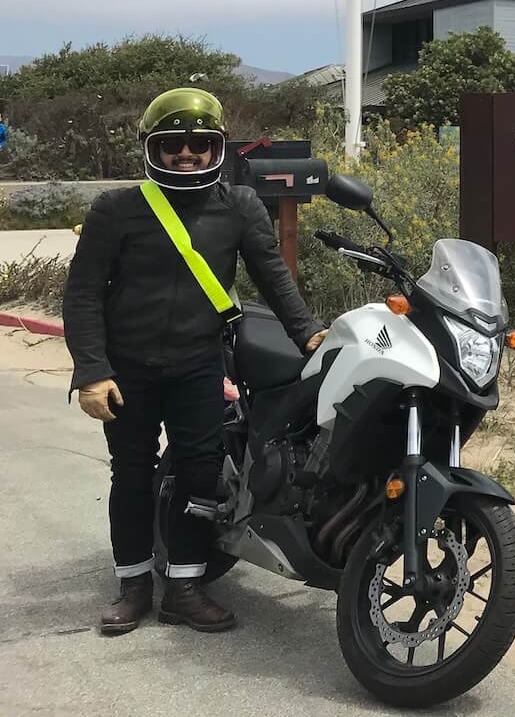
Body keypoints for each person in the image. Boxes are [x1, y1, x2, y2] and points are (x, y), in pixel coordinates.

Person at [63, 88, 326, 636]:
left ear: (218, 149)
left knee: (198, 472)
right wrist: (91, 370)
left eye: (201, 145)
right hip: (126, 367)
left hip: (200, 363)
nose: (187, 156)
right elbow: (83, 294)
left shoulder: (239, 206)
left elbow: (272, 276)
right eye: (173, 146)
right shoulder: (116, 209)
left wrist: (308, 334)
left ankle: (184, 586)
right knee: (132, 473)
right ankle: (133, 585)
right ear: (151, 150)